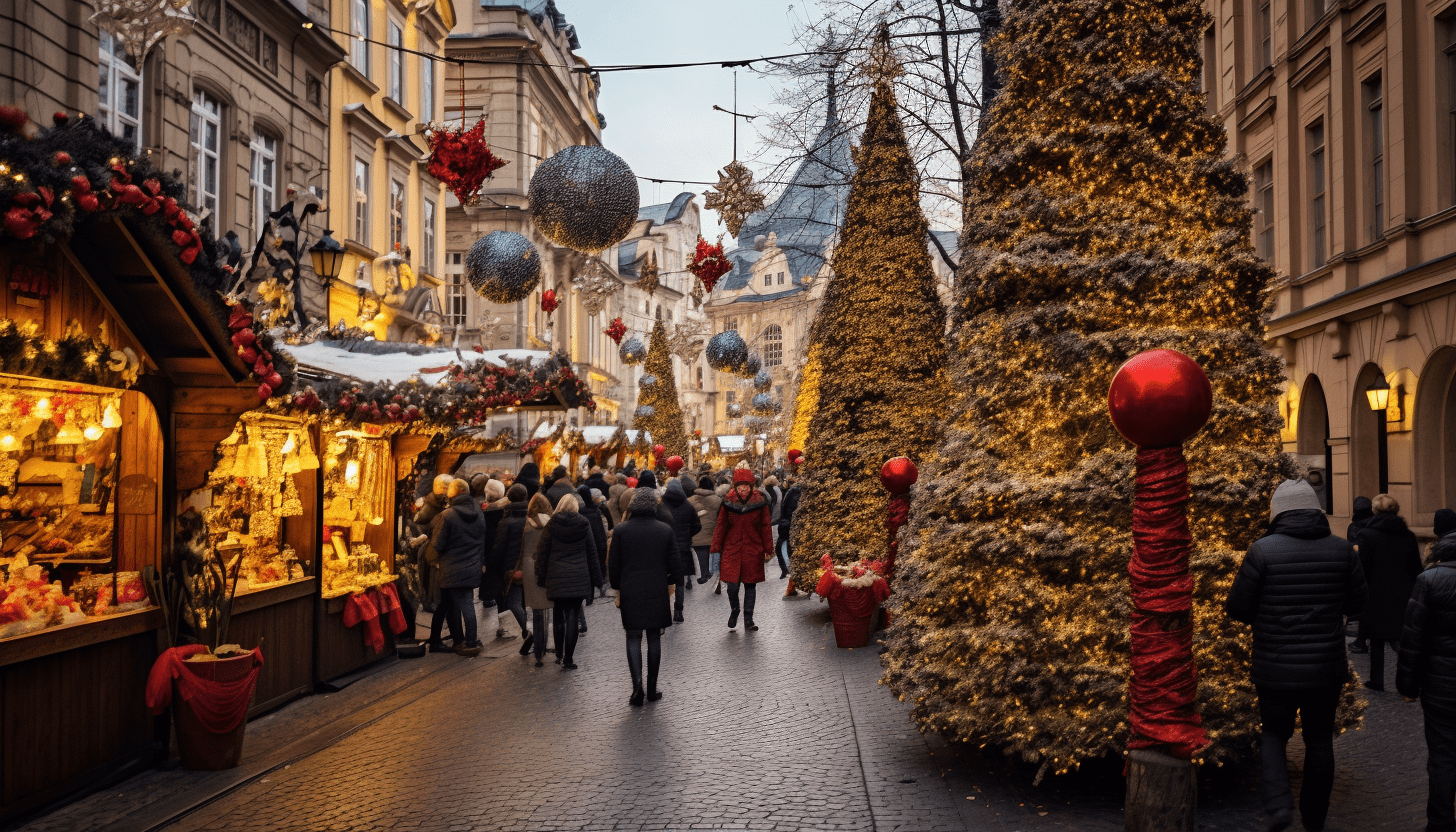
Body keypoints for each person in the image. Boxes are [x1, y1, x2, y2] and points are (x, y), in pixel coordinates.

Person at [1227, 479, 1366, 832]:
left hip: (1274, 665)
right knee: (1319, 739)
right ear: (1316, 512)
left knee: (1274, 734)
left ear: (1277, 513)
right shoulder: (1341, 551)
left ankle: (1279, 808)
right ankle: (1314, 820)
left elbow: (1238, 608)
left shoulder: (1262, 550)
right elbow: (1358, 604)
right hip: (1325, 666)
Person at [1397, 533, 1456, 832]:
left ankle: (1440, 823)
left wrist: (1408, 686)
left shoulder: (1430, 580)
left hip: (1441, 687)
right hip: (1440, 684)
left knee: (1443, 757)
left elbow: (1412, 639)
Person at [610, 489, 680, 706]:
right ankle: (651, 687)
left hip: (631, 589)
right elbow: (675, 564)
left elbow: (613, 565)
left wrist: (617, 587)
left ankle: (636, 687)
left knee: (632, 637)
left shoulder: (621, 531)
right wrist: (670, 582)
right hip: (656, 589)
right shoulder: (664, 530)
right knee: (654, 637)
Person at [1357, 493, 1423, 691]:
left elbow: (1363, 569)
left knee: (1377, 638)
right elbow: (1416, 568)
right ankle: (1409, 679)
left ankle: (1376, 680)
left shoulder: (1367, 535)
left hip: (1375, 593)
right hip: (1403, 593)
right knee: (1398, 637)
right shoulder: (1408, 535)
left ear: (1375, 511)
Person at [534, 493, 602, 670]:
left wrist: (540, 576)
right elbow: (592, 552)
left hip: (557, 575)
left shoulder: (552, 524)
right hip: (578, 575)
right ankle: (569, 659)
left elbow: (542, 552)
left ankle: (559, 653)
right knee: (573, 615)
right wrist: (597, 580)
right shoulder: (583, 523)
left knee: (558, 615)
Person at [710, 468, 774, 631]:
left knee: (750, 586)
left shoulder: (760, 502)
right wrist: (716, 547)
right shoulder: (728, 502)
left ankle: (748, 620)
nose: (744, 488)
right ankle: (735, 610)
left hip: (753, 549)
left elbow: (766, 526)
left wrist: (768, 548)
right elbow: (721, 526)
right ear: (735, 486)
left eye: (747, 485)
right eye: (740, 485)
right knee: (732, 586)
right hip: (732, 549)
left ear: (752, 485)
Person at [430, 478, 487, 656]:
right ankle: (447, 640)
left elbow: (438, 544)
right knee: (447, 604)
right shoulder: (479, 513)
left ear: (452, 494)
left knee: (463, 604)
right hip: (471, 566)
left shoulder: (447, 515)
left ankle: (469, 642)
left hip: (451, 568)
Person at [416, 474, 462, 651]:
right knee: (445, 601)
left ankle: (454, 636)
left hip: (439, 557)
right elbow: (432, 533)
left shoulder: (443, 509)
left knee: (447, 601)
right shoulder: (437, 510)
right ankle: (443, 639)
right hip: (437, 559)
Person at [492, 484, 534, 655]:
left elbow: (499, 547)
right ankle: (530, 631)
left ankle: (527, 630)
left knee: (513, 602)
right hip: (531, 565)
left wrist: (494, 566)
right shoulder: (532, 518)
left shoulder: (506, 521)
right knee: (524, 601)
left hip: (513, 568)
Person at [478, 478, 518, 640]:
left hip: (490, 557)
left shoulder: (483, 512)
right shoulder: (508, 510)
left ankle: (504, 627)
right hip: (507, 556)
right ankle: (508, 626)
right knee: (507, 592)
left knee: (498, 594)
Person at [518, 492, 555, 666]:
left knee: (537, 612)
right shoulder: (552, 524)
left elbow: (520, 549)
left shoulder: (525, 525)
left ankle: (538, 651)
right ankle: (546, 645)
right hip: (548, 567)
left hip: (529, 567)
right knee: (548, 609)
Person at [661, 477, 701, 622]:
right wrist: (687, 535)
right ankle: (679, 611)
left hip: (665, 548)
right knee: (679, 581)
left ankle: (665, 610)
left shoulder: (661, 505)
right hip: (683, 548)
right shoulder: (688, 506)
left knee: (664, 579)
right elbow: (698, 526)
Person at [1347, 496, 1376, 653]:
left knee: (1364, 606)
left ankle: (1361, 640)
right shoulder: (1375, 525)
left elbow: (1353, 548)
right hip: (1375, 571)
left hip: (1361, 570)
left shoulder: (1354, 527)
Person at [577, 484, 610, 600]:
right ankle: (599, 588)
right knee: (598, 565)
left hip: (587, 543)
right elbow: (600, 529)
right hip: (598, 542)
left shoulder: (580, 512)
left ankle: (591, 591)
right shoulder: (595, 510)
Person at [690, 474, 721, 585]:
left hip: (696, 536)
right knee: (714, 557)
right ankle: (715, 578)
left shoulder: (690, 500)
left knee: (701, 554)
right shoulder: (718, 500)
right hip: (713, 534)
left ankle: (704, 574)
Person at [779, 478, 801, 592]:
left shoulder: (792, 492)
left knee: (788, 551)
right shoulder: (793, 492)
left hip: (791, 525)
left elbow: (783, 509)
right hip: (794, 526)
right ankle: (792, 580)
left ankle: (791, 579)